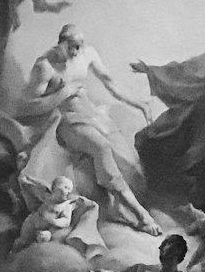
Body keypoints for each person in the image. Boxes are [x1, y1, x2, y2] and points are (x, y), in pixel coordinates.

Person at [19, 26, 161, 235]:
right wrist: (63, 93)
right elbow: (28, 105)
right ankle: (141, 216)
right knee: (101, 147)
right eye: (71, 47)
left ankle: (122, 208)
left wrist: (139, 103)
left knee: (128, 160)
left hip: (95, 117)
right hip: (69, 123)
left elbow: (110, 83)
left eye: (79, 47)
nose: (76, 52)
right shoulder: (45, 66)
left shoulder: (87, 54)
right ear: (61, 42)